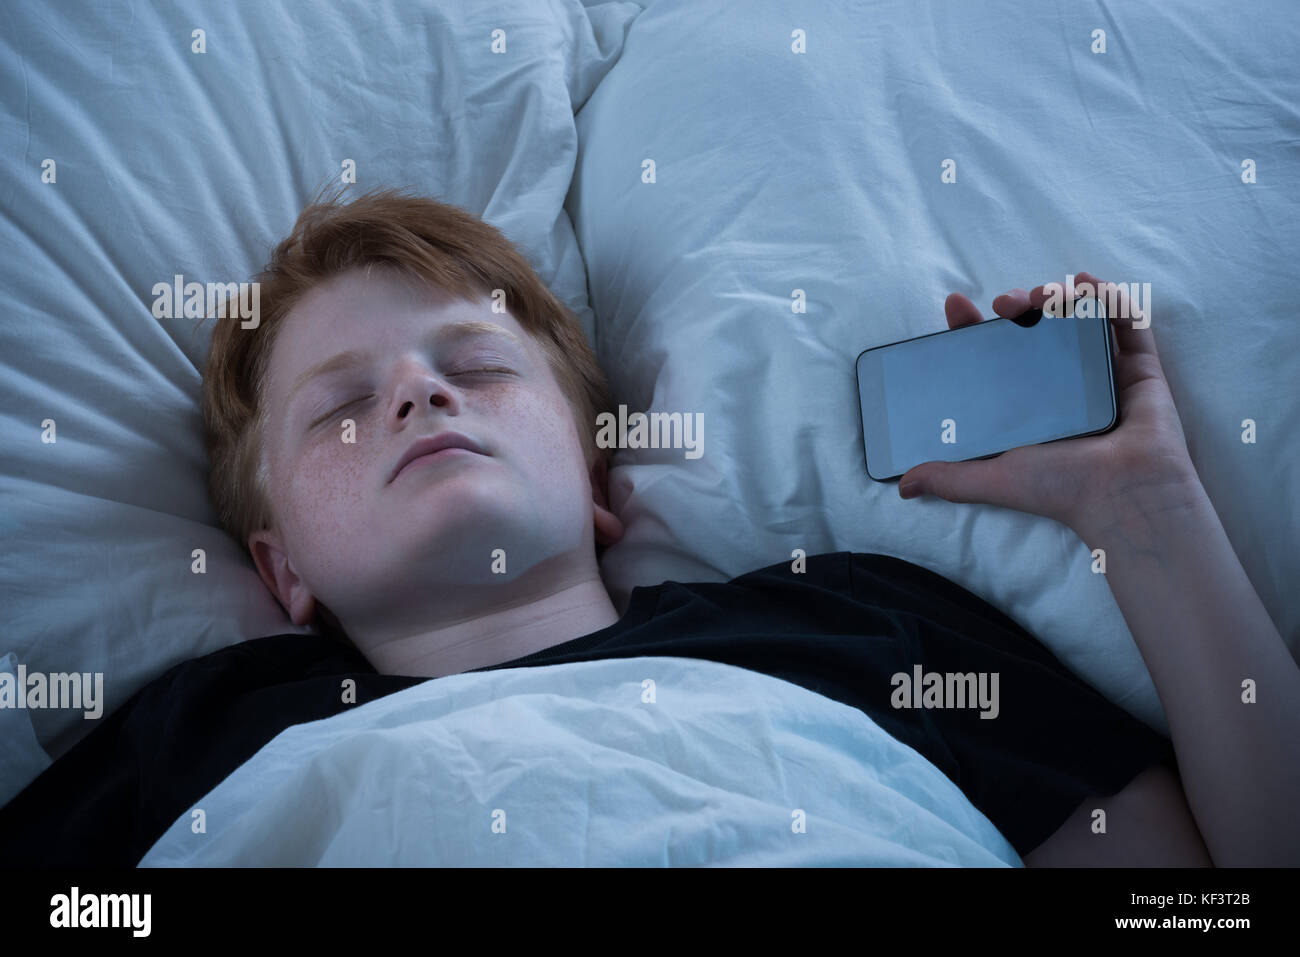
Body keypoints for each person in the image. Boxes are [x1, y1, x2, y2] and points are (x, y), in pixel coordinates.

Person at [2, 188, 1296, 867]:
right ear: (280, 566)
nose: (419, 390)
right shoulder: (195, 742)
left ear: (598, 476)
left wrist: (1153, 513)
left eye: (478, 364)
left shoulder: (848, 620)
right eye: (342, 406)